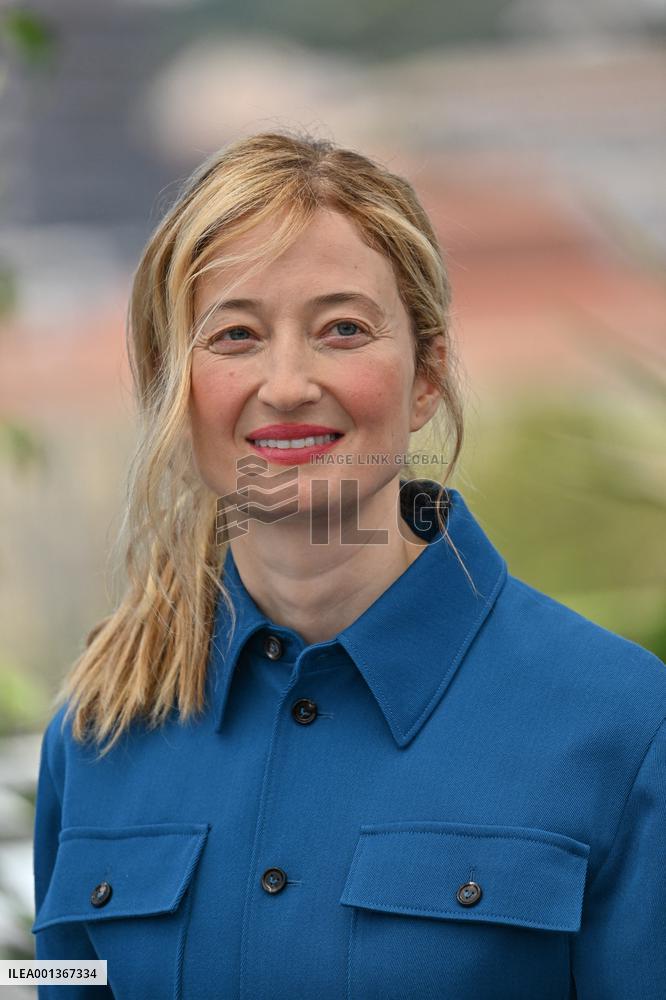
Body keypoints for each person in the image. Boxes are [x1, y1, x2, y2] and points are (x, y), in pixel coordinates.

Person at [31, 130, 666, 1000]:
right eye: (236, 335)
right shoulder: (95, 730)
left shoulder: (626, 727)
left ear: (426, 376)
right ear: (169, 387)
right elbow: (56, 977)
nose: (287, 383)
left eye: (342, 328)